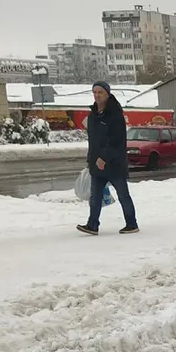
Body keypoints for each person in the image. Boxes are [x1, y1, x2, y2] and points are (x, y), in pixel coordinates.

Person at [77, 81, 138, 236]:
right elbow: (93, 141)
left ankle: (132, 224)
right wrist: (91, 159)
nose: (97, 95)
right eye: (95, 92)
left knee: (123, 195)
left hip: (114, 164)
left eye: (100, 92)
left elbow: (116, 140)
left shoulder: (115, 115)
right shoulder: (93, 115)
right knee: (95, 196)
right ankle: (92, 225)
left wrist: (104, 157)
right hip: (96, 164)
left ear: (107, 94)